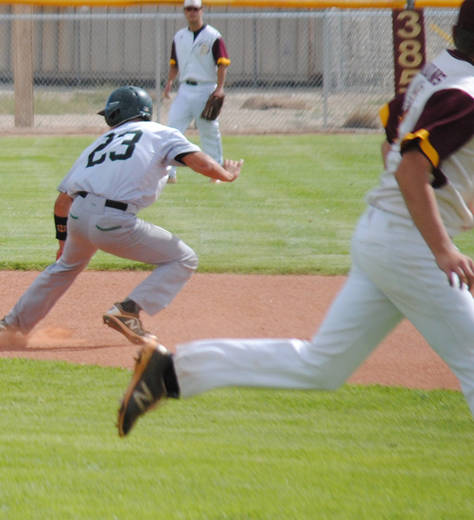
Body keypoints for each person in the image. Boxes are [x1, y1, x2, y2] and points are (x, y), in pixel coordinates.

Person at [117, 0, 474, 437]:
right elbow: (409, 167)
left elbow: (391, 143)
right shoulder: (466, 91)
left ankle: (170, 372)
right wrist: (442, 246)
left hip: (384, 234)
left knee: (322, 366)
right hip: (410, 245)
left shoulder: (441, 70)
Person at [0, 86, 242, 346]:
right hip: (114, 220)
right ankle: (128, 310)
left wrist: (63, 242)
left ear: (117, 114)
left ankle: (9, 327)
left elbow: (62, 202)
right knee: (183, 258)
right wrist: (226, 175)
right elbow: (199, 162)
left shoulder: (99, 142)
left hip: (78, 216)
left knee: (64, 267)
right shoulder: (162, 133)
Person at [162, 0, 230, 184]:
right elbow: (174, 64)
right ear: (184, 11)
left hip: (206, 87)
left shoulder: (213, 36)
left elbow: (222, 64)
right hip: (184, 88)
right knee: (173, 130)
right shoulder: (179, 36)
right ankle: (169, 173)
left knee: (208, 130)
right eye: (189, 9)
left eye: (195, 9)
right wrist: (169, 82)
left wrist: (220, 87)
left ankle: (216, 172)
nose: (192, 12)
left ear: (202, 10)